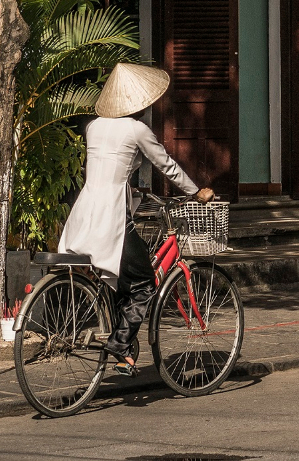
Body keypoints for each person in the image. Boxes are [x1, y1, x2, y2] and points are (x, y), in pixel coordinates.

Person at [58, 62, 212, 373]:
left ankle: (122, 348)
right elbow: (165, 165)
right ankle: (119, 342)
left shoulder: (94, 126)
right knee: (143, 282)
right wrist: (195, 192)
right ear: (139, 103)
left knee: (122, 277)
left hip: (85, 210)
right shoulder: (136, 129)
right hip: (112, 214)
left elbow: (112, 166)